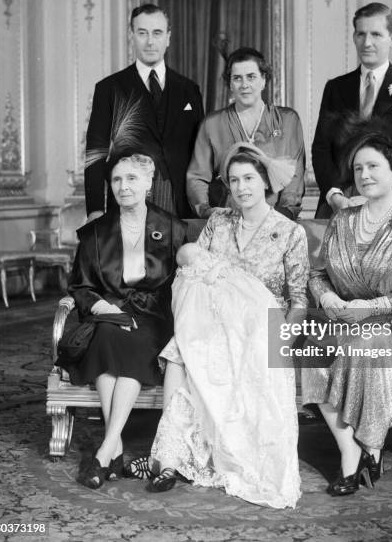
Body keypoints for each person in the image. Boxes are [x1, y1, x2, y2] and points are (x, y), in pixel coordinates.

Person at [129, 143, 309, 508]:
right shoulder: (218, 222)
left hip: (261, 325)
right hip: (214, 321)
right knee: (181, 350)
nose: (241, 188)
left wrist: (282, 340)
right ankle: (169, 457)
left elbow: (299, 300)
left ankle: (204, 456)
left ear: (266, 182)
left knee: (204, 351)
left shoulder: (290, 232)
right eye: (234, 180)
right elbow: (193, 271)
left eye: (249, 179)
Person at [302, 117, 392, 496]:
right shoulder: (342, 220)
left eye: (373, 166)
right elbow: (318, 274)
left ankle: (364, 453)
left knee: (365, 346)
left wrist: (373, 306)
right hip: (343, 317)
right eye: (358, 168)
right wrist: (327, 297)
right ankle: (354, 450)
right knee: (308, 349)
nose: (364, 174)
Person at [67, 152, 186, 490]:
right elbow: (80, 285)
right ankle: (113, 448)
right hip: (110, 312)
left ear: (149, 183)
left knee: (129, 340)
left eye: (132, 178)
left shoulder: (172, 228)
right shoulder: (94, 233)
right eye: (117, 180)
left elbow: (183, 282)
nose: (123, 186)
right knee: (107, 333)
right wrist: (104, 308)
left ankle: (107, 450)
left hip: (154, 317)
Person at [85, 4, 204, 221]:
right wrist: (95, 209)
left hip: (180, 206)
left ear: (168, 37)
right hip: (127, 202)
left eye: (157, 33)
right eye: (142, 33)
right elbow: (95, 154)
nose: (150, 41)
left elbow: (201, 155)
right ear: (132, 36)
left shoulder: (189, 90)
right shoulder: (109, 89)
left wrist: (203, 205)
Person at [312, 2, 392, 218]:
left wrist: (382, 193)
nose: (367, 43)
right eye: (361, 34)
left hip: (388, 205)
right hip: (339, 203)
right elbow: (321, 148)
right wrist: (334, 194)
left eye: (376, 34)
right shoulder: (335, 88)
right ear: (354, 37)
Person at [186, 47, 305, 220]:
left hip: (276, 219)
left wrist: (282, 214)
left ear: (264, 80)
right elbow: (196, 176)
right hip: (227, 219)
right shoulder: (212, 124)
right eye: (237, 78)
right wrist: (206, 210)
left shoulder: (287, 120)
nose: (244, 85)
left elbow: (295, 174)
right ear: (230, 85)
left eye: (251, 77)